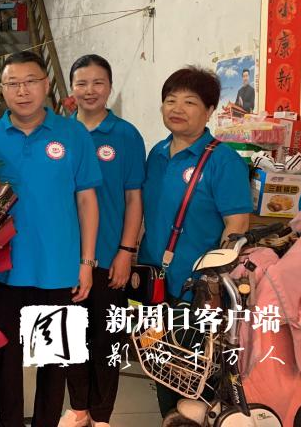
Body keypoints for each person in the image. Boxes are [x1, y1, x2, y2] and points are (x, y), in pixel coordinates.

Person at [0, 51, 101, 427]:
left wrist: (87, 262)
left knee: (54, 362)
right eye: (12, 83)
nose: (22, 91)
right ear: (1, 90)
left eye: (30, 81)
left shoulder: (73, 134)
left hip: (58, 268)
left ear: (46, 85)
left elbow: (87, 200)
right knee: (7, 362)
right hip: (5, 268)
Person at [138, 66, 252, 417]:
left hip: (197, 290)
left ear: (209, 110)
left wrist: (214, 282)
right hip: (154, 284)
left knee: (192, 378)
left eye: (190, 102)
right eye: (170, 100)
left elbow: (237, 225)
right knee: (160, 368)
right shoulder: (157, 153)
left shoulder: (223, 161)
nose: (177, 108)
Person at [60, 55, 145, 427]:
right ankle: (78, 407)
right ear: (71, 88)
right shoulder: (61, 132)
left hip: (110, 256)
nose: (89, 90)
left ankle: (102, 414)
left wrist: (126, 251)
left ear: (110, 87)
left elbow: (134, 198)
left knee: (108, 337)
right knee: (70, 336)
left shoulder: (126, 135)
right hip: (67, 257)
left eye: (98, 83)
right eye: (81, 83)